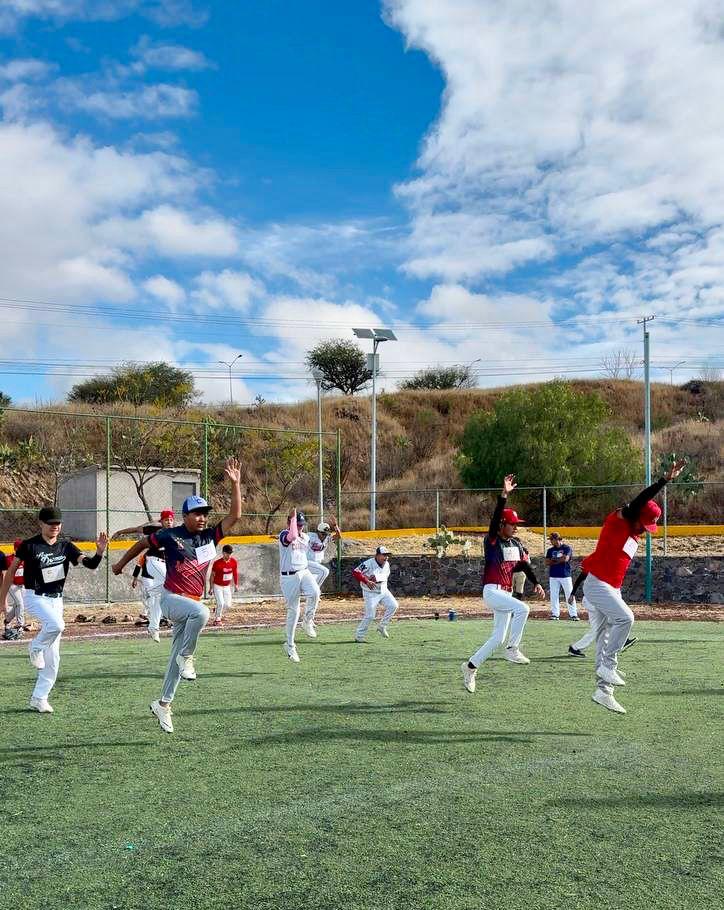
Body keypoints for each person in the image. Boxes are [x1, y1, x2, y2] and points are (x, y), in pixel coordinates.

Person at [112, 459, 242, 734]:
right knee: (203, 614)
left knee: (173, 661)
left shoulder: (209, 537)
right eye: (197, 513)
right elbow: (141, 544)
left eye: (205, 513)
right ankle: (188, 656)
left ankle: (163, 704)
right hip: (172, 599)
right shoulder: (170, 534)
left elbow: (234, 517)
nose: (202, 517)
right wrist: (121, 564)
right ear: (185, 516)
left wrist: (235, 484)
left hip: (191, 604)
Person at [574, 459, 687, 714]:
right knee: (626, 618)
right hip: (597, 584)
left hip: (612, 587)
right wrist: (664, 481)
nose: (646, 532)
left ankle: (603, 692)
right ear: (635, 515)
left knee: (604, 637)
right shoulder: (619, 520)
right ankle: (609, 667)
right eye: (645, 525)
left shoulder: (634, 533)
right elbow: (639, 501)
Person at [0, 507, 107, 713]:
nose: (55, 526)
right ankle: (34, 648)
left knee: (54, 658)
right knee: (57, 625)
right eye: (50, 523)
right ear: (41, 523)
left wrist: (100, 552)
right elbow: (11, 572)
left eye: (57, 523)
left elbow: (90, 564)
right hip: (34, 597)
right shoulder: (29, 546)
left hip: (56, 601)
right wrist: (2, 601)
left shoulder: (66, 546)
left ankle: (39, 698)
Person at [461, 474, 545, 694]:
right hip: (492, 591)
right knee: (523, 608)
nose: (516, 528)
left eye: (517, 525)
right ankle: (513, 648)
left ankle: (470, 667)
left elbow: (522, 566)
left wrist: (536, 583)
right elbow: (495, 517)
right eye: (512, 524)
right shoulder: (492, 540)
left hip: (505, 594)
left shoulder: (516, 543)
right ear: (502, 524)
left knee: (497, 638)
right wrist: (504, 495)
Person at [115, 509, 174, 640]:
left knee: (159, 596)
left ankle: (153, 627)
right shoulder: (155, 529)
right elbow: (137, 529)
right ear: (161, 521)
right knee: (171, 584)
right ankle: (174, 620)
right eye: (166, 520)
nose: (169, 522)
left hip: (164, 564)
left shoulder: (175, 533)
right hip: (153, 561)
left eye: (171, 520)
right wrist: (120, 532)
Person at [278, 508, 320, 659]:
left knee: (315, 592)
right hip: (288, 577)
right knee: (294, 611)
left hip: (303, 571)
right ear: (289, 523)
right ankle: (290, 645)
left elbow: (316, 547)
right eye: (298, 523)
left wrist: (331, 536)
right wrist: (293, 518)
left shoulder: (306, 537)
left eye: (302, 524)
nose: (300, 526)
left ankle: (308, 621)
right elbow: (292, 535)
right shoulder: (284, 534)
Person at [303, 516, 342, 632]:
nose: (324, 536)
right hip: (307, 563)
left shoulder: (327, 538)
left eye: (326, 534)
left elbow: (339, 536)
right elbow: (297, 537)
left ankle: (309, 619)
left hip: (316, 566)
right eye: (322, 534)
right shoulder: (311, 536)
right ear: (318, 532)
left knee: (312, 598)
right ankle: (315, 591)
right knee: (325, 571)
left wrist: (335, 526)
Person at [353, 546, 398, 642]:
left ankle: (382, 626)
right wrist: (366, 581)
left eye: (387, 556)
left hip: (383, 590)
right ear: (377, 555)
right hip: (370, 593)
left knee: (393, 605)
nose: (385, 557)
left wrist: (376, 578)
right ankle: (359, 636)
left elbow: (384, 576)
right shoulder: (369, 563)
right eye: (383, 555)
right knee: (370, 616)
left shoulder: (387, 564)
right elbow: (356, 572)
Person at [546, 532, 578, 620]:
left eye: (552, 539)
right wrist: (558, 560)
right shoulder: (550, 550)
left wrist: (554, 560)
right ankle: (555, 614)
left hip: (565, 575)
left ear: (557, 539)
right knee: (554, 595)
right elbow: (547, 562)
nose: (550, 541)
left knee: (569, 594)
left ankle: (573, 614)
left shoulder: (567, 548)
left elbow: (565, 559)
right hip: (553, 576)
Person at [2, 539, 27, 633]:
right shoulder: (9, 559)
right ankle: (20, 625)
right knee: (20, 604)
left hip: (23, 586)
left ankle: (7, 620)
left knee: (18, 605)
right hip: (12, 585)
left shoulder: (26, 559)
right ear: (16, 548)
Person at [210, 545, 238, 626]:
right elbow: (212, 576)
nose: (229, 555)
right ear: (223, 553)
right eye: (227, 553)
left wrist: (236, 584)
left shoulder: (233, 562)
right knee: (221, 603)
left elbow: (235, 573)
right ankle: (217, 619)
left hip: (227, 586)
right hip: (217, 586)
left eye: (230, 553)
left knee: (228, 605)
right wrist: (211, 588)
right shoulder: (217, 563)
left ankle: (218, 609)